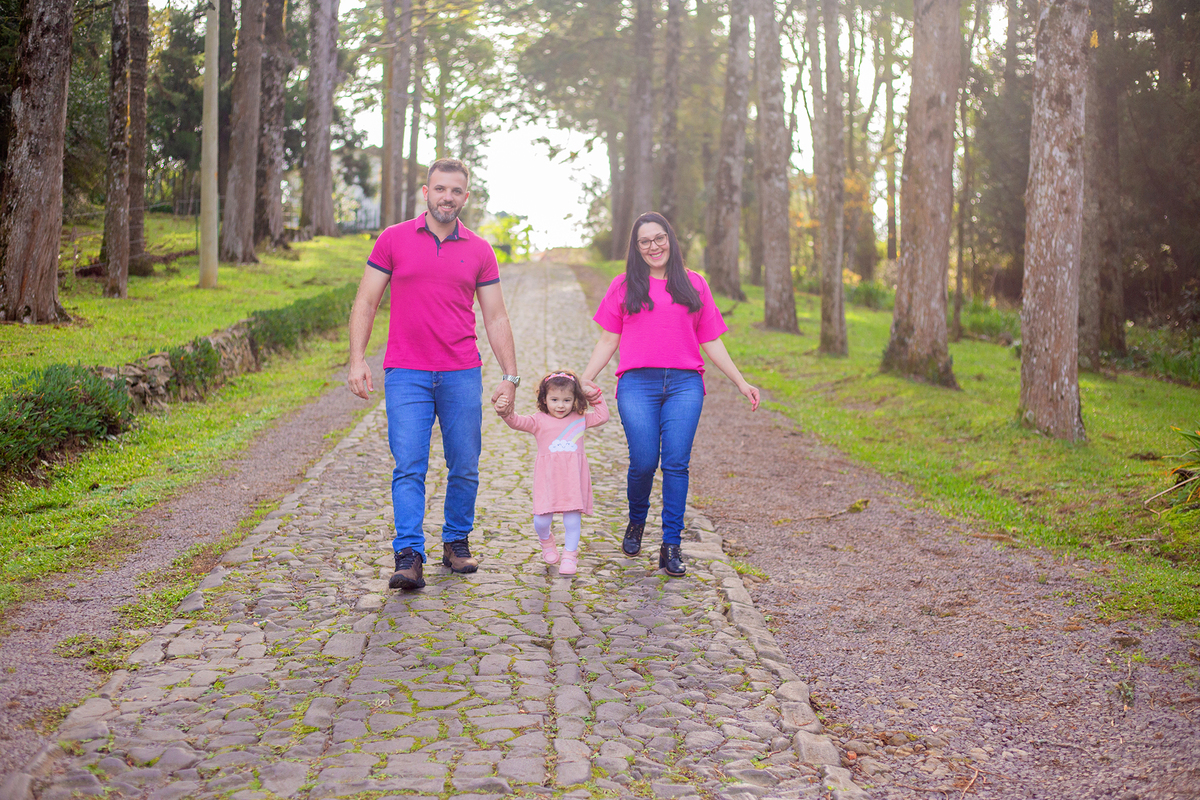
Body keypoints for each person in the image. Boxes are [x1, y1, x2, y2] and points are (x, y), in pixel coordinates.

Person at [347, 158, 520, 591]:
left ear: (465, 196)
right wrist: (356, 359)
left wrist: (510, 376)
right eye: (440, 189)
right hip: (406, 372)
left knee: (464, 464)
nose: (447, 197)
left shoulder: (480, 249)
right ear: (426, 192)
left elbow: (496, 317)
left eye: (456, 190)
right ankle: (408, 554)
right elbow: (366, 301)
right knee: (409, 465)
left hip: (462, 372)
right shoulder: (393, 239)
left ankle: (456, 542)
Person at [581, 211, 760, 578]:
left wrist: (741, 382)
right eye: (644, 241)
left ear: (670, 239)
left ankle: (671, 544)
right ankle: (636, 521)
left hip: (684, 385)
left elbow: (710, 339)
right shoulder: (624, 285)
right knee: (644, 461)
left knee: (676, 463)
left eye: (659, 238)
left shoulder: (694, 283)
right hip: (637, 384)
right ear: (636, 247)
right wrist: (585, 378)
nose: (653, 246)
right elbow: (608, 338)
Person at [494, 371, 609, 575]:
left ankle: (570, 556)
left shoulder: (580, 419)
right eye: (554, 399)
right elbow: (516, 421)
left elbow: (603, 416)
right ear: (544, 399)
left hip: (573, 478)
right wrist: (505, 412)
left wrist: (596, 398)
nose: (560, 405)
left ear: (575, 400)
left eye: (567, 400)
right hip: (547, 479)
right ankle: (546, 541)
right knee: (541, 520)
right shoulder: (538, 420)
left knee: (572, 520)